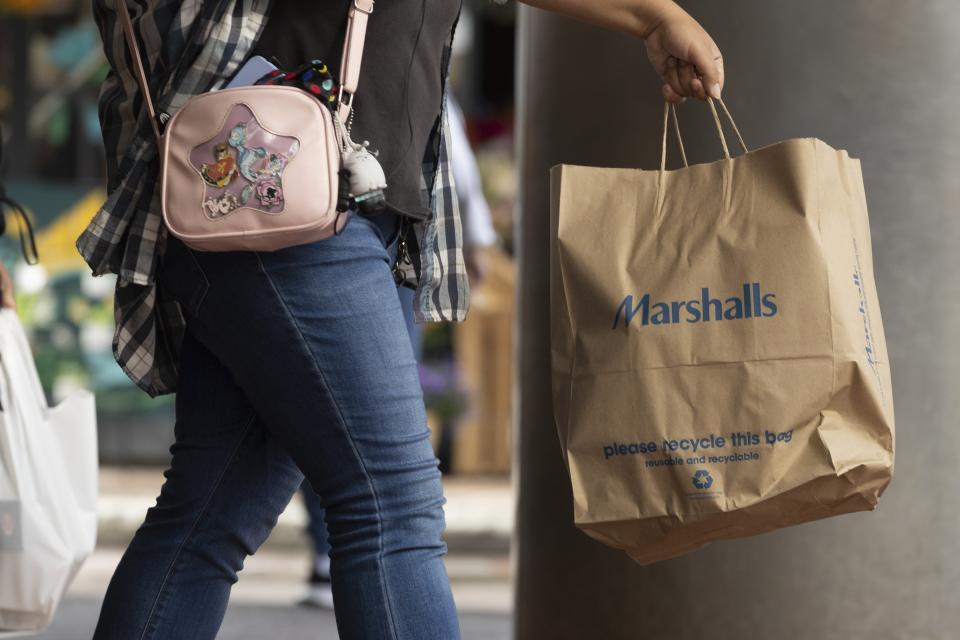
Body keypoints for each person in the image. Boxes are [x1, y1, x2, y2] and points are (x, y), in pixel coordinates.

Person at [81, 0, 723, 638]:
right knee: (390, 508)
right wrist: (654, 15)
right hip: (288, 215)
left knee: (208, 515)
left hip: (306, 212)